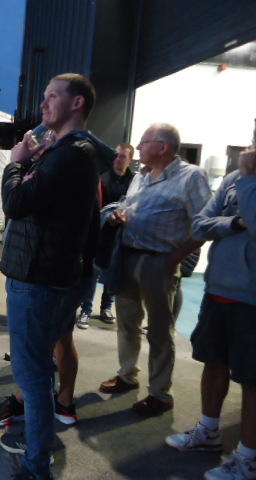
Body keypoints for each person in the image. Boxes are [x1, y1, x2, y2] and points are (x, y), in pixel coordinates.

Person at [0, 73, 101, 480]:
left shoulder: (71, 154)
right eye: (44, 96)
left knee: (32, 376)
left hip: (39, 280)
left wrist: (15, 163)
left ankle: (36, 465)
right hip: (46, 276)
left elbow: (16, 203)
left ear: (77, 103)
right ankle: (38, 449)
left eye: (52, 96)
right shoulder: (66, 152)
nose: (43, 104)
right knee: (39, 370)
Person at [98, 123, 211, 416]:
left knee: (159, 331)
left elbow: (204, 224)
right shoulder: (141, 176)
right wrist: (118, 215)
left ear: (162, 147)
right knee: (127, 322)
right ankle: (127, 375)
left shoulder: (191, 176)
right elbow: (128, 205)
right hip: (128, 257)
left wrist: (175, 258)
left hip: (159, 263)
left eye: (144, 142)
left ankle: (160, 394)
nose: (138, 146)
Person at [165, 147, 256, 480]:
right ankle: (208, 431)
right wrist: (235, 222)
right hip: (219, 289)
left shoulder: (244, 179)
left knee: (252, 379)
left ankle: (248, 458)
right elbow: (200, 225)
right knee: (213, 361)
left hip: (252, 299)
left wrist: (250, 182)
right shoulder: (234, 178)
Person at [76, 143, 135, 329]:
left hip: (121, 235)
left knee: (113, 270)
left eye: (122, 156)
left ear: (130, 160)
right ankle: (86, 309)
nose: (118, 159)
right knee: (93, 271)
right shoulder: (101, 177)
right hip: (99, 234)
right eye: (116, 155)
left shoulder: (134, 182)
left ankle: (106, 308)